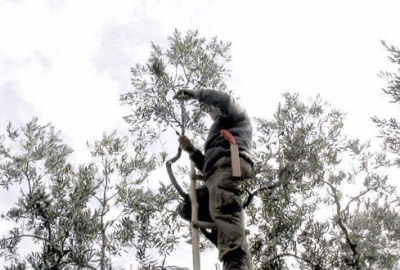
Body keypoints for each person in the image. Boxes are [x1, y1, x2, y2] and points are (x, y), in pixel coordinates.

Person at [174, 89, 253, 270]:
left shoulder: (236, 114)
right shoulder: (219, 131)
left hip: (231, 162)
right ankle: (227, 239)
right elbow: (209, 167)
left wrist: (195, 94)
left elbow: (225, 100)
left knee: (223, 204)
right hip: (217, 171)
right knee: (188, 208)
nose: (210, 113)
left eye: (211, 110)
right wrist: (192, 151)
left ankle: (235, 261)